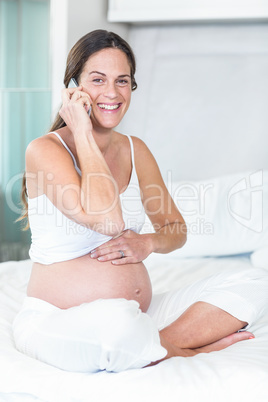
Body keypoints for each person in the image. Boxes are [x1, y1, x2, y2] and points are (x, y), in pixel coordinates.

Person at [13, 30, 268, 373]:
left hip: (139, 316)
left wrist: (148, 242)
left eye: (122, 81)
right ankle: (180, 350)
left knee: (256, 283)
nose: (111, 93)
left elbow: (176, 230)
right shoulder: (44, 150)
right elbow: (107, 220)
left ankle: (158, 342)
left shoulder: (136, 150)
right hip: (58, 321)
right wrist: (84, 132)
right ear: (74, 87)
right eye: (98, 79)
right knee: (117, 324)